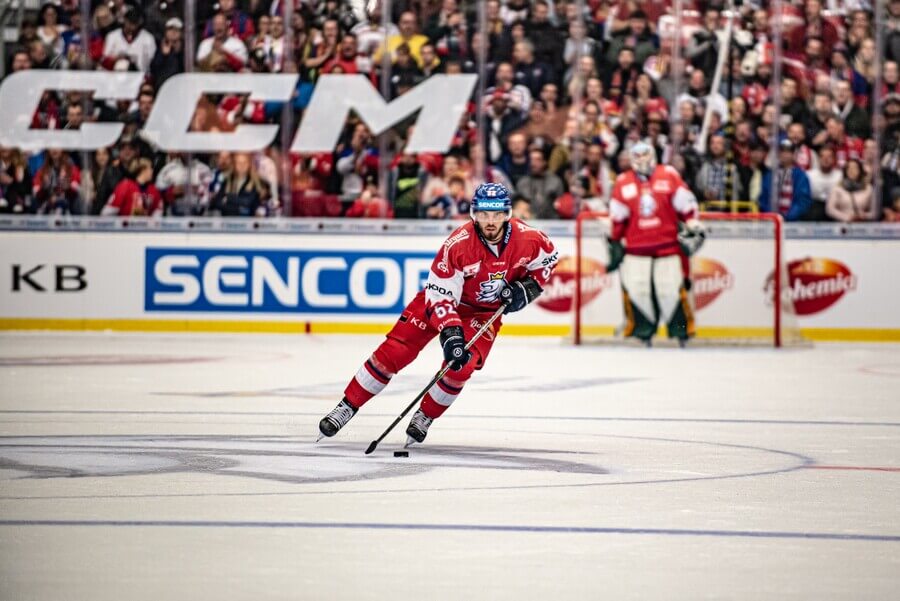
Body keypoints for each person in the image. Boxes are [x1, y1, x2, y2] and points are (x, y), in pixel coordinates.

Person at [317, 183, 558, 445]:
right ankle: (347, 406)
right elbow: (442, 295)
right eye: (484, 214)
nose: (490, 221)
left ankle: (425, 415)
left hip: (483, 312)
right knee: (395, 351)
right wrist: (452, 333)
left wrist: (529, 288)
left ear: (507, 214)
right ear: (474, 213)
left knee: (460, 366)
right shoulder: (457, 245)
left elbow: (548, 260)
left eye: (497, 214)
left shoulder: (530, 239)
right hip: (438, 302)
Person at [607, 142, 704, 347]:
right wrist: (615, 241)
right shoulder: (623, 182)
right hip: (636, 248)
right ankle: (643, 333)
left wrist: (693, 222)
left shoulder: (668, 174)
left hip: (667, 245)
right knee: (638, 291)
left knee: (669, 291)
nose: (642, 160)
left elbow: (687, 204)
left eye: (645, 154)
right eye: (637, 156)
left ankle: (681, 332)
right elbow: (618, 218)